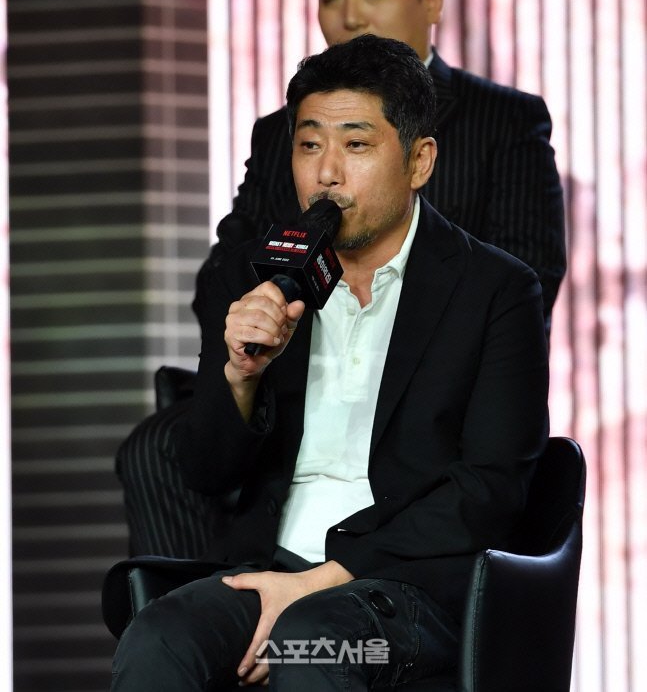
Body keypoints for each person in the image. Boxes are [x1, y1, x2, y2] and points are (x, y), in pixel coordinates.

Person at [116, 0, 564, 559]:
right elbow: (227, 267)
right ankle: (206, 596)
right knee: (160, 449)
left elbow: (528, 272)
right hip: (299, 369)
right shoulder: (287, 130)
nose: (351, 14)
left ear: (430, 0)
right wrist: (259, 329)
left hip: (435, 382)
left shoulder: (504, 119)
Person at [110, 34, 549, 691]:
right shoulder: (260, 275)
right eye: (310, 145)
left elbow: (488, 489)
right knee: (159, 638)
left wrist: (323, 580)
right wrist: (240, 375)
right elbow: (204, 470)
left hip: (406, 592)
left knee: (312, 648)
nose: (327, 173)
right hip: (268, 569)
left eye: (356, 145)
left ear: (419, 160)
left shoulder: (495, 290)